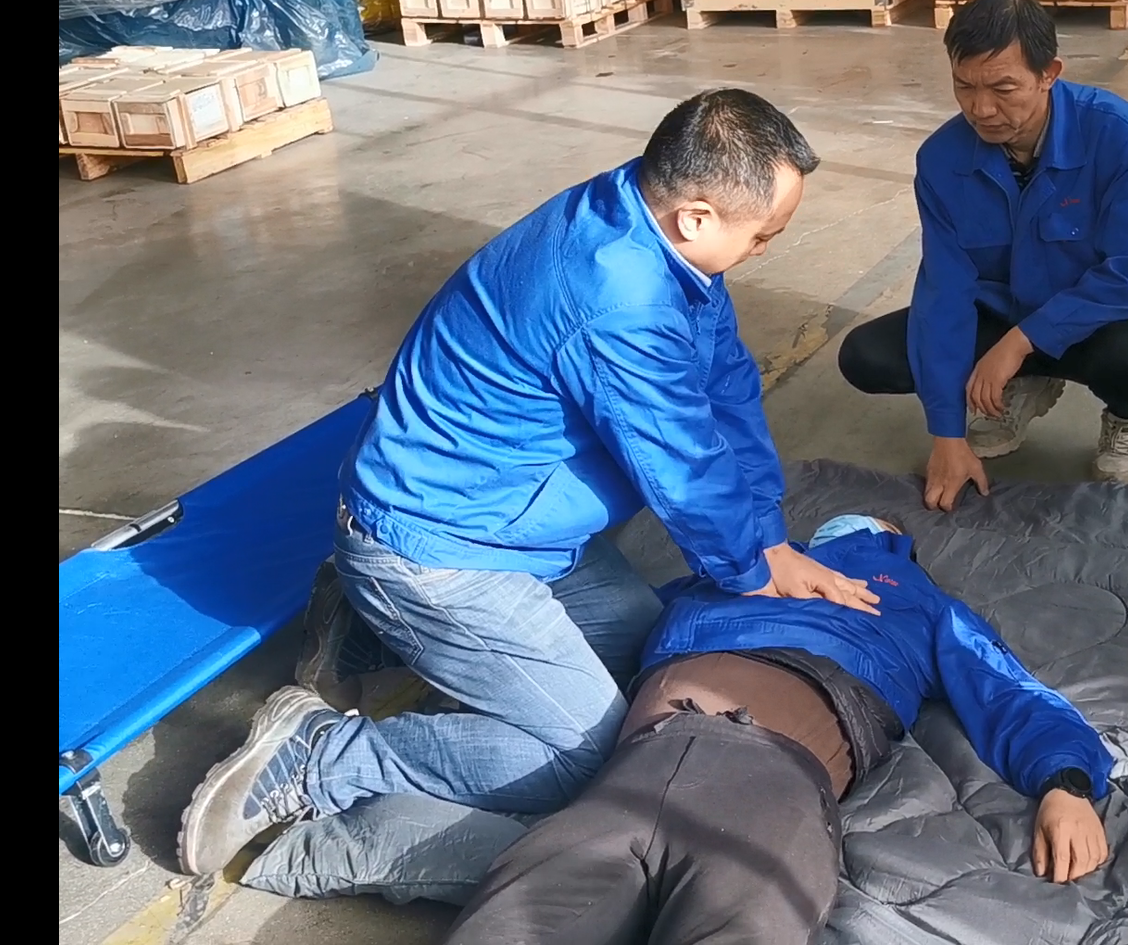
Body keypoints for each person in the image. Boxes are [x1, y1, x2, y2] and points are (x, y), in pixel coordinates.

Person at [176, 89, 884, 877]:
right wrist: (749, 569)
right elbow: (683, 468)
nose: (763, 252)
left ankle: (370, 630)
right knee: (582, 757)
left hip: (518, 523)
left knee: (651, 657)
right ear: (696, 215)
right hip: (440, 549)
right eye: (763, 236)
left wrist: (770, 536)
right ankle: (322, 756)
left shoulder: (653, 226)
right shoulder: (619, 295)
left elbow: (726, 388)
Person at [441, 513, 1116, 945]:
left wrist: (1065, 779)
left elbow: (1002, 686)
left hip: (670, 741)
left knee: (528, 905)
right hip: (768, 766)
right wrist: (1067, 782)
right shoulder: (772, 562)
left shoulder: (889, 588)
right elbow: (1004, 685)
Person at [836, 0, 1128, 505]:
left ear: (1049, 74)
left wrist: (1019, 343)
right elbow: (945, 292)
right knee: (867, 356)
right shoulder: (941, 160)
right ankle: (1026, 384)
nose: (980, 109)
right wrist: (947, 435)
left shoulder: (1117, 135)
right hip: (1004, 311)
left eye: (1002, 89)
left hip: (1098, 321)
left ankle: (1125, 418)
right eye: (964, 86)